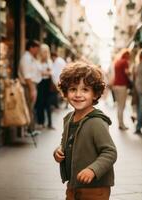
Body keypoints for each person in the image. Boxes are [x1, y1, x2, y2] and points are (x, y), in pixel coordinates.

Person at [53, 62, 117, 200]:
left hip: (95, 188)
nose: (78, 94)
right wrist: (59, 151)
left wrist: (93, 170)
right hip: (73, 184)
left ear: (95, 94)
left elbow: (110, 152)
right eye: (73, 89)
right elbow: (66, 142)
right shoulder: (69, 118)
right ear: (65, 92)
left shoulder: (96, 122)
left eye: (85, 90)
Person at [19, 40, 41, 135]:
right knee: (28, 107)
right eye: (36, 48)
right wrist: (32, 89)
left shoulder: (31, 58)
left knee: (30, 107)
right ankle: (29, 129)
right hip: (28, 86)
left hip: (32, 85)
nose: (37, 51)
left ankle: (30, 129)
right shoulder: (26, 58)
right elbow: (27, 76)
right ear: (31, 47)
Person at [35, 44, 54, 129]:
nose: (45, 53)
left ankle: (50, 123)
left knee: (48, 103)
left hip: (48, 83)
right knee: (40, 103)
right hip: (40, 83)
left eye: (46, 51)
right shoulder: (37, 61)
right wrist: (45, 72)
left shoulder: (49, 61)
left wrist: (45, 72)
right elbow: (38, 73)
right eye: (43, 51)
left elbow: (51, 73)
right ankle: (41, 122)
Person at [112, 48, 131, 130]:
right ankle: (121, 124)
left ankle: (120, 123)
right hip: (122, 85)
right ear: (127, 55)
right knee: (122, 106)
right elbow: (127, 73)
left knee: (119, 105)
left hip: (115, 85)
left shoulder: (117, 62)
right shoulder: (125, 62)